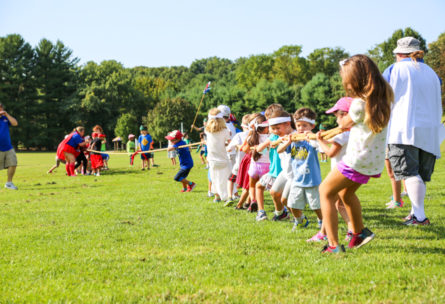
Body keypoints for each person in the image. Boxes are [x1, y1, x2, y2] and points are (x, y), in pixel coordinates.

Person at [319, 54, 393, 253]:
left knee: (325, 192)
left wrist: (321, 136)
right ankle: (359, 233)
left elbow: (344, 123)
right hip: (373, 160)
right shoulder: (385, 95)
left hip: (356, 159)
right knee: (346, 193)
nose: (345, 83)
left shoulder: (359, 104)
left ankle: (333, 245)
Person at [383, 37, 443, 225]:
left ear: (399, 54)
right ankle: (415, 212)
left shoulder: (395, 69)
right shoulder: (432, 72)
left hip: (403, 128)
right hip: (430, 130)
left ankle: (420, 216)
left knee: (409, 173)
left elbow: (381, 95)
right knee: (419, 176)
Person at [308, 97, 353, 242]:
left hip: (340, 172)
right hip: (348, 171)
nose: (336, 122)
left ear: (346, 115)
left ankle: (351, 230)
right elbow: (333, 142)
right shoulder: (352, 133)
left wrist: (320, 141)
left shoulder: (344, 134)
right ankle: (326, 232)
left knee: (330, 199)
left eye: (338, 117)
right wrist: (320, 139)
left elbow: (330, 153)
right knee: (338, 203)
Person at [278, 108, 323, 231]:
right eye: (298, 125)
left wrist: (311, 138)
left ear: (312, 126)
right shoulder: (293, 141)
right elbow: (279, 150)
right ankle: (300, 220)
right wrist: (288, 141)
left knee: (315, 205)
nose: (301, 128)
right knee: (292, 204)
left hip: (311, 179)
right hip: (297, 179)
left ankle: (322, 220)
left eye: (305, 125)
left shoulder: (312, 140)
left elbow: (319, 148)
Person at [243, 113, 270, 212]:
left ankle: (253, 201)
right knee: (262, 188)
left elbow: (245, 149)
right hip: (267, 167)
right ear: (266, 127)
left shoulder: (253, 137)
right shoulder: (270, 137)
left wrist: (251, 131)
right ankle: (261, 206)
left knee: (252, 186)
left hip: (254, 166)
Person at [205, 108, 232, 202]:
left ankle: (217, 197)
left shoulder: (207, 131)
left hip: (212, 159)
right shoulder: (225, 131)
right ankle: (228, 196)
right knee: (225, 178)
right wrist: (225, 144)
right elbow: (230, 143)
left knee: (214, 178)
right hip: (223, 158)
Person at [225, 114, 250, 207]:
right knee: (247, 184)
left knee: (230, 179)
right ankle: (248, 201)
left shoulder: (239, 135)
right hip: (252, 165)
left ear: (242, 126)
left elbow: (228, 149)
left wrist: (234, 145)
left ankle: (230, 197)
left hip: (239, 165)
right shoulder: (256, 135)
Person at [218, 105, 238, 199]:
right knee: (230, 174)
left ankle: (234, 194)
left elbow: (227, 142)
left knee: (230, 174)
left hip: (229, 153)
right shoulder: (228, 125)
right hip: (230, 153)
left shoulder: (227, 127)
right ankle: (233, 193)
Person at [0, 103, 19, 189]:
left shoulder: (5, 118)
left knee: (13, 163)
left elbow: (15, 123)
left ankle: (9, 183)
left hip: (8, 147)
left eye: (1, 108)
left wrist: (7, 114)